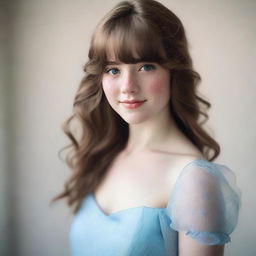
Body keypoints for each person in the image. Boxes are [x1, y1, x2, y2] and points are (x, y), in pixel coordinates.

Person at [52, 0, 241, 255]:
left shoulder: (195, 179)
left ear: (174, 71)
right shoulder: (104, 155)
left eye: (145, 67)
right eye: (113, 69)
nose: (127, 86)